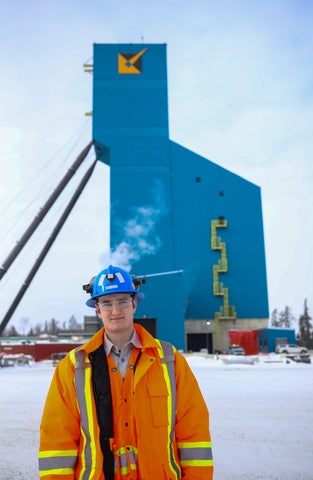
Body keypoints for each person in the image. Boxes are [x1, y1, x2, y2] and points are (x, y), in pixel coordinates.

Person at [38, 265, 214, 480]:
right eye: (107, 303)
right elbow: (57, 437)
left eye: (122, 301)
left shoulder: (169, 359)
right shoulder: (74, 366)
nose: (115, 310)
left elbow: (193, 428)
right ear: (97, 309)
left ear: (134, 304)